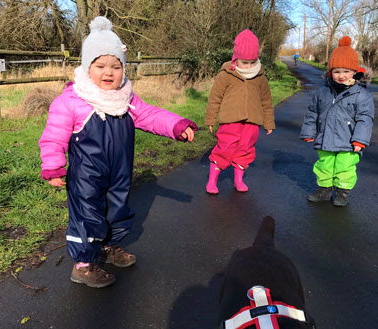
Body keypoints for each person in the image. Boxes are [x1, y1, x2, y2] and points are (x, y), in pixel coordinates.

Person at [39, 17, 197, 288]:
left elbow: (150, 115)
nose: (108, 73)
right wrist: (54, 166)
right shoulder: (72, 101)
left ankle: (110, 247)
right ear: (87, 67)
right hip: (86, 176)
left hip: (119, 172)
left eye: (116, 66)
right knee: (88, 215)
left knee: (118, 209)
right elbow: (53, 136)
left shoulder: (126, 99)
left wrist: (176, 125)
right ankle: (83, 264)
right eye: (100, 66)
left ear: (124, 69)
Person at [300, 36, 374, 207]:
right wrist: (309, 131)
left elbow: (365, 119)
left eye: (346, 71)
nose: (341, 76)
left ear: (355, 71)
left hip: (348, 141)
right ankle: (324, 189)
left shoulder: (362, 95)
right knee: (324, 165)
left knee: (345, 167)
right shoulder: (323, 92)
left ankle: (342, 192)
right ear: (330, 72)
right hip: (325, 138)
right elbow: (313, 112)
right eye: (337, 71)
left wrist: (360, 140)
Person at [204, 29, 275, 194]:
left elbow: (266, 102)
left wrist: (269, 122)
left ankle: (238, 180)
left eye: (252, 62)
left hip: (252, 123)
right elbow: (215, 98)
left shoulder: (260, 77)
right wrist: (210, 119)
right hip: (230, 121)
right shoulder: (226, 75)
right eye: (245, 62)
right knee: (225, 148)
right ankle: (212, 181)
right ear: (235, 59)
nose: (249, 66)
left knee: (245, 150)